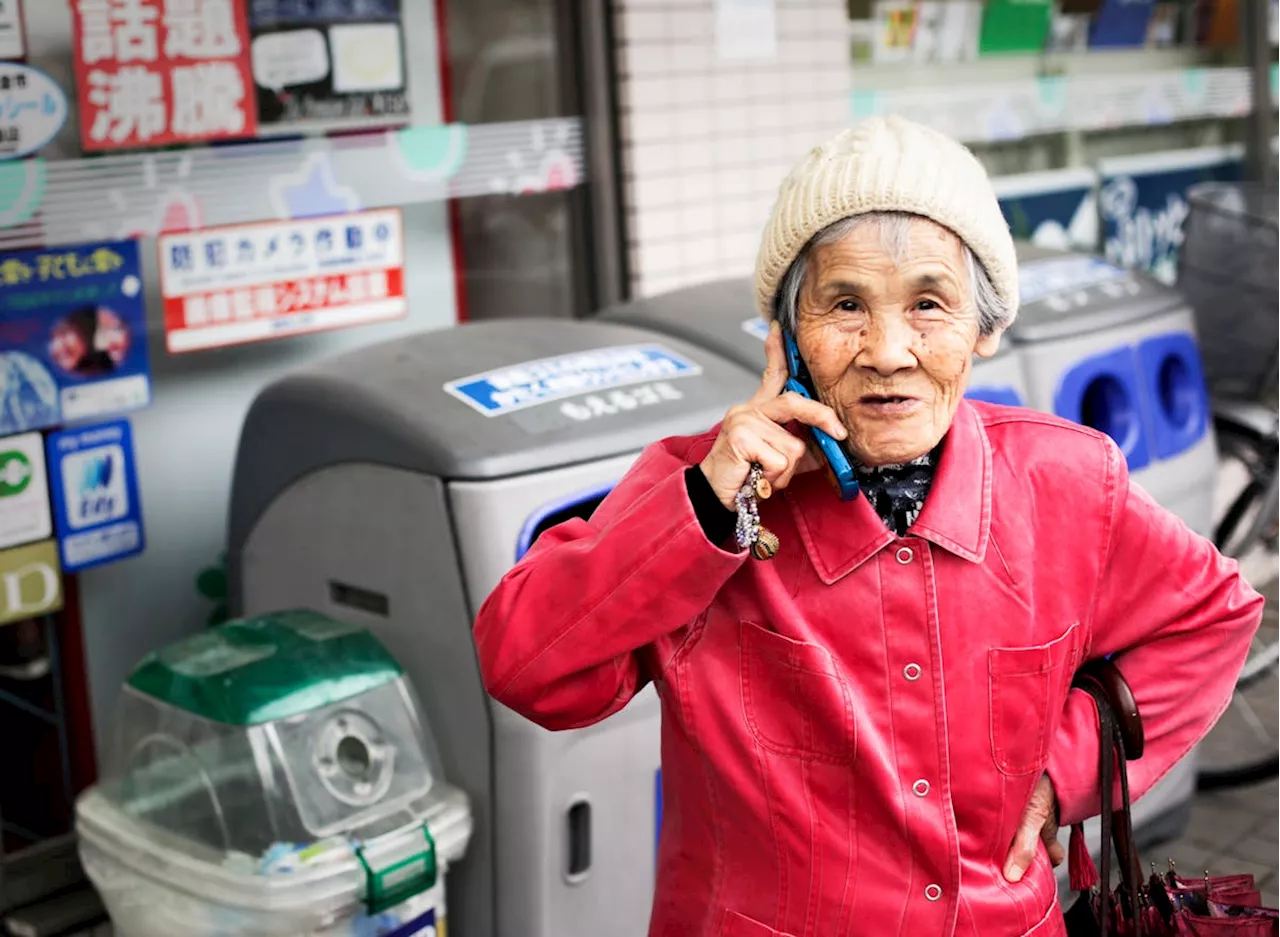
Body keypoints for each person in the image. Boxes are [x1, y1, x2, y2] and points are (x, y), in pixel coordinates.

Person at [472, 115, 1265, 937]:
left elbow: (1213, 616)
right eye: (845, 304)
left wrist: (1064, 775)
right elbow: (526, 665)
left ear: (985, 328)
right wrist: (708, 508)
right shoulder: (704, 486)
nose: (888, 350)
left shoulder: (1065, 481)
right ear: (787, 336)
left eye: (929, 303)